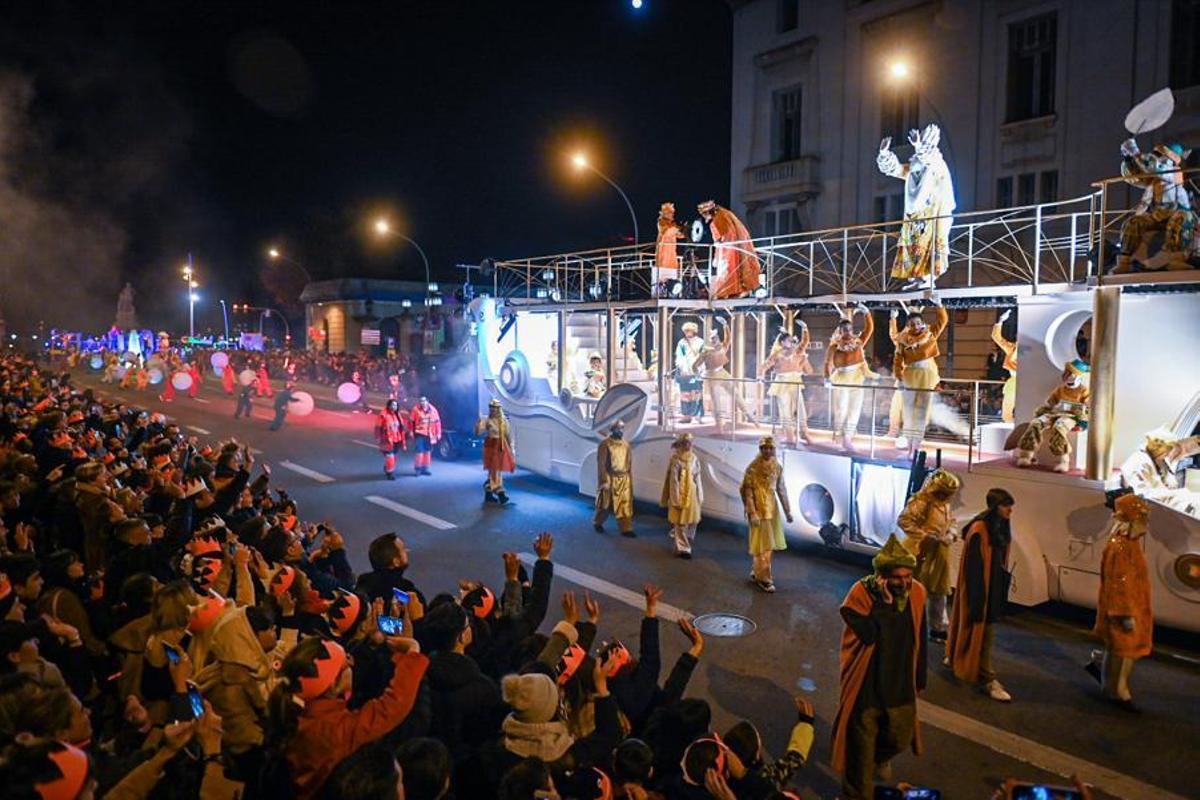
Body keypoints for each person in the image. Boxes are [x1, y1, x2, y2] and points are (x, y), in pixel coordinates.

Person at [831, 534, 927, 800]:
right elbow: (870, 635)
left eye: (908, 576)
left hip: (899, 686)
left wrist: (920, 676)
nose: (904, 582)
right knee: (859, 765)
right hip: (868, 689)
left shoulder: (917, 592)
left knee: (900, 738)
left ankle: (876, 757)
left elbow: (921, 632)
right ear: (882, 577)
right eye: (897, 577)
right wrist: (884, 606)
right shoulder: (859, 596)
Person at [947, 487, 1015, 702]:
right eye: (1006, 506)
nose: (1010, 511)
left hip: (992, 587)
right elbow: (974, 569)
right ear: (996, 507)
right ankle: (987, 679)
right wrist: (978, 600)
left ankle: (960, 658)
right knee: (983, 635)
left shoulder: (997, 526)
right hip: (983, 591)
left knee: (981, 633)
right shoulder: (980, 529)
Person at [1087, 493, 1153, 710]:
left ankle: (1112, 686)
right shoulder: (1123, 547)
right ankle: (1117, 692)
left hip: (1131, 607)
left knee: (1121, 650)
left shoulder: (1126, 543)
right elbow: (1119, 582)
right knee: (1123, 652)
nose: (1145, 523)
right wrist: (1124, 612)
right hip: (1126, 609)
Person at [877, 123, 956, 289]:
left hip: (933, 214)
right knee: (914, 245)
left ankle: (927, 277)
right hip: (915, 215)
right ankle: (916, 275)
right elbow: (897, 170)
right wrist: (885, 154)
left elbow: (929, 160)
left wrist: (919, 145)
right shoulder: (916, 167)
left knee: (929, 245)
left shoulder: (937, 164)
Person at [897, 469, 961, 642]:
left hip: (939, 553)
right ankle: (907, 624)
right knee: (912, 590)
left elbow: (951, 521)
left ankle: (937, 628)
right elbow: (904, 520)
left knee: (939, 592)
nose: (945, 496)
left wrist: (951, 534)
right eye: (942, 493)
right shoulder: (921, 502)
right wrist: (924, 536)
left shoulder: (944, 503)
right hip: (919, 551)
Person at [1113, 137, 1195, 273]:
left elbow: (1154, 167)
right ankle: (1124, 262)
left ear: (1171, 158)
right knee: (1133, 222)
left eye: (1159, 155)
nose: (1155, 157)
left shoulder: (1174, 172)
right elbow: (1135, 176)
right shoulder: (1154, 178)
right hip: (1157, 215)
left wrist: (1136, 153)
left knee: (1182, 218)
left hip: (1176, 212)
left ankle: (1176, 260)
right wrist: (1129, 158)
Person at [888, 300, 949, 454]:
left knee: (921, 411)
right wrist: (899, 378)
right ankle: (909, 445)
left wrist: (939, 305)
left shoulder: (930, 334)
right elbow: (897, 360)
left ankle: (915, 445)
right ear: (908, 325)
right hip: (909, 376)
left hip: (927, 376)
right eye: (912, 324)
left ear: (922, 323)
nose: (915, 326)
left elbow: (943, 321)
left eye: (917, 323)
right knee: (908, 411)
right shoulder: (903, 340)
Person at [1013, 358, 1090, 473]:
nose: (1068, 377)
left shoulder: (1084, 391)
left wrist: (1078, 413)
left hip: (1071, 417)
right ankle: (1026, 455)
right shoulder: (1061, 389)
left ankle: (1063, 460)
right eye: (1067, 373)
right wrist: (1049, 408)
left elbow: (1087, 408)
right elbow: (1050, 402)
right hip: (1055, 413)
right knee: (1036, 423)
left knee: (1059, 427)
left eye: (1071, 374)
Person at [739, 437, 793, 593]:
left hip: (772, 511)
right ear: (760, 449)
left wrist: (787, 511)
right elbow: (748, 493)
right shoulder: (753, 468)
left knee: (765, 545)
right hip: (758, 511)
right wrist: (752, 512)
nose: (767, 451)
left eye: (770, 448)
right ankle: (765, 579)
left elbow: (781, 490)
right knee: (765, 546)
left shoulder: (777, 467)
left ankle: (758, 572)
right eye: (764, 448)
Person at [824, 303, 875, 451]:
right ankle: (839, 437)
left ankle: (847, 438)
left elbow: (869, 329)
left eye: (850, 329)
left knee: (855, 409)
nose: (847, 331)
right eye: (844, 329)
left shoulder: (858, 342)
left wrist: (866, 313)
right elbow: (827, 362)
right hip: (841, 379)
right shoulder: (834, 346)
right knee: (841, 409)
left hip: (857, 379)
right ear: (840, 331)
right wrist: (826, 377)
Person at [760, 323, 813, 446]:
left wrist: (805, 328)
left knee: (800, 408)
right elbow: (764, 366)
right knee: (786, 410)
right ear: (782, 343)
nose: (792, 342)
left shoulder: (798, 351)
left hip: (795, 382)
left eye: (792, 340)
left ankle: (804, 432)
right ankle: (789, 435)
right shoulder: (777, 354)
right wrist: (759, 377)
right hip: (782, 383)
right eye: (789, 340)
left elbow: (805, 341)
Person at [698, 200, 760, 299]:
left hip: (727, 252)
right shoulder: (725, 214)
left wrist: (717, 253)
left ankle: (727, 292)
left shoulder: (717, 219)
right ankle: (736, 290)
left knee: (726, 271)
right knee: (732, 270)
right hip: (735, 249)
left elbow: (722, 238)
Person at [660, 432, 703, 558]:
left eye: (690, 442)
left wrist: (700, 494)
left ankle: (683, 542)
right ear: (681, 444)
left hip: (692, 493)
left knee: (692, 521)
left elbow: (697, 476)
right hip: (679, 495)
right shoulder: (676, 459)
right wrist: (675, 499)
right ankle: (683, 548)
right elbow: (674, 480)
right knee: (680, 522)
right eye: (686, 442)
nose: (688, 445)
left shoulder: (694, 458)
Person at [594, 421, 635, 537]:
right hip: (610, 477)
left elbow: (629, 463)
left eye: (622, 428)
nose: (621, 431)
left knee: (625, 503)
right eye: (619, 428)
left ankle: (626, 528)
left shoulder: (626, 445)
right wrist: (604, 481)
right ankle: (598, 522)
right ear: (613, 429)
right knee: (605, 504)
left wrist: (629, 480)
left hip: (624, 478)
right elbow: (602, 464)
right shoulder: (605, 444)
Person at [475, 399, 516, 504]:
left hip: (501, 446)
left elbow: (507, 435)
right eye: (491, 408)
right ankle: (500, 494)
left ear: (499, 409)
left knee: (496, 470)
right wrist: (479, 422)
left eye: (495, 408)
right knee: (495, 470)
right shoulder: (487, 420)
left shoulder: (503, 421)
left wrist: (511, 448)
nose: (493, 410)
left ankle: (489, 494)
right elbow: (478, 433)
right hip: (491, 446)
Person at [674, 322, 704, 423]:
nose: (687, 332)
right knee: (685, 395)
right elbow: (679, 356)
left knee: (697, 394)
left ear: (694, 331)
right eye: (686, 331)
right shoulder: (681, 342)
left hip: (697, 371)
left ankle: (698, 415)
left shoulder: (700, 342)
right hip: (685, 372)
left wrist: (700, 369)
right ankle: (687, 415)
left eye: (689, 330)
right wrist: (682, 367)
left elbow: (703, 356)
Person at [991, 309, 1018, 423]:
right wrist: (1000, 321)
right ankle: (1009, 423)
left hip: (1029, 381)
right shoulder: (1012, 347)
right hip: (1014, 380)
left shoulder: (1035, 350)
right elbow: (996, 337)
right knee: (1007, 409)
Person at [375, 399, 409, 480]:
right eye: (392, 405)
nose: (394, 407)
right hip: (387, 439)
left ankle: (388, 467)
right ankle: (390, 473)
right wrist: (378, 438)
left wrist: (404, 438)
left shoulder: (397, 415)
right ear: (389, 405)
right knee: (390, 456)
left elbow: (401, 427)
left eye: (395, 405)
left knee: (394, 457)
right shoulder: (383, 415)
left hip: (397, 439)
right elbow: (378, 427)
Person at [655, 201, 684, 295]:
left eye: (672, 213)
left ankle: (673, 291)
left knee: (673, 269)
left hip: (671, 253)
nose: (672, 215)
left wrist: (686, 231)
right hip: (664, 252)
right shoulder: (661, 222)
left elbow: (679, 235)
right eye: (670, 213)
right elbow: (667, 231)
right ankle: (662, 290)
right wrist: (677, 227)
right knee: (663, 270)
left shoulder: (672, 224)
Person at [410, 396, 442, 476]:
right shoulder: (416, 410)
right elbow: (411, 422)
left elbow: (437, 423)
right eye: (421, 401)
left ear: (428, 402)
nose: (423, 403)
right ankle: (418, 469)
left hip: (429, 434)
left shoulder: (433, 410)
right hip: (420, 433)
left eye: (424, 401)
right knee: (419, 451)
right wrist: (411, 431)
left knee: (427, 452)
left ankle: (425, 468)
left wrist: (438, 433)